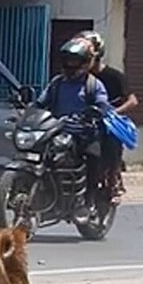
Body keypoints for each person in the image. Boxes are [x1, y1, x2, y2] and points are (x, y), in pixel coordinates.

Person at [32, 35, 111, 222]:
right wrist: (28, 111)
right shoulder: (57, 83)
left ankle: (89, 201)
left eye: (75, 60)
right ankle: (48, 200)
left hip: (84, 134)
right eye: (68, 60)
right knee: (44, 156)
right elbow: (41, 102)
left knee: (93, 157)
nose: (71, 63)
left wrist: (95, 111)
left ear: (84, 62)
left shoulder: (93, 85)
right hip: (58, 131)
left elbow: (102, 105)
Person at [78, 30, 138, 203]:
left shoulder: (114, 76)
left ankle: (112, 183)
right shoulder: (76, 77)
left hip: (107, 122)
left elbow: (132, 101)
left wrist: (112, 113)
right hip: (84, 122)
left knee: (111, 142)